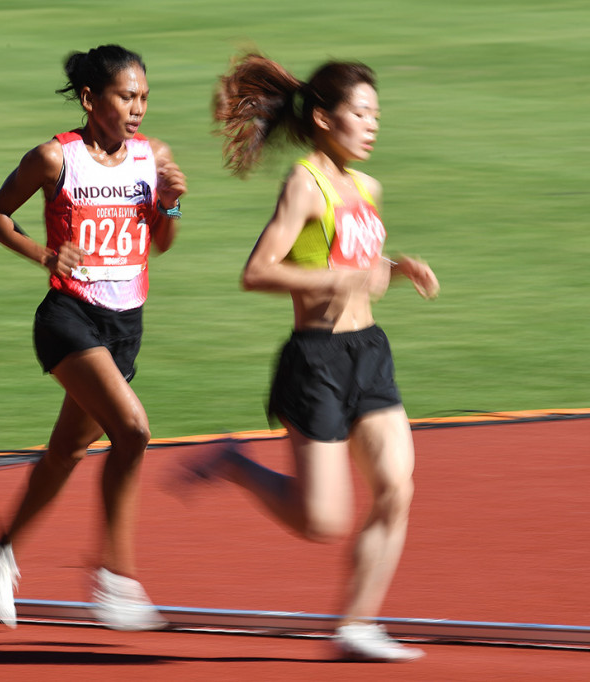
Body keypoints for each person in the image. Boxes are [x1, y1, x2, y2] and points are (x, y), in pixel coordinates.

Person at [192, 53, 439, 661]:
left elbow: (357, 266)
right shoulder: (305, 183)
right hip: (317, 362)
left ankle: (356, 624)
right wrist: (336, 280)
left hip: (369, 353)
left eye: (377, 113)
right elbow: (257, 273)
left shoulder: (367, 187)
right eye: (361, 113)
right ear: (326, 119)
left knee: (396, 488)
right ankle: (234, 463)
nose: (373, 124)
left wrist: (395, 269)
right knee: (321, 522)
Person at [0, 44, 186, 631]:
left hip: (125, 328)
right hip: (69, 318)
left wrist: (168, 208)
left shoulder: (153, 158)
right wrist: (45, 253)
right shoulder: (53, 158)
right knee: (134, 431)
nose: (138, 108)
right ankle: (115, 579)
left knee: (66, 453)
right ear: (92, 100)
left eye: (144, 96)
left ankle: (2, 546)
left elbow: (160, 245)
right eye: (127, 96)